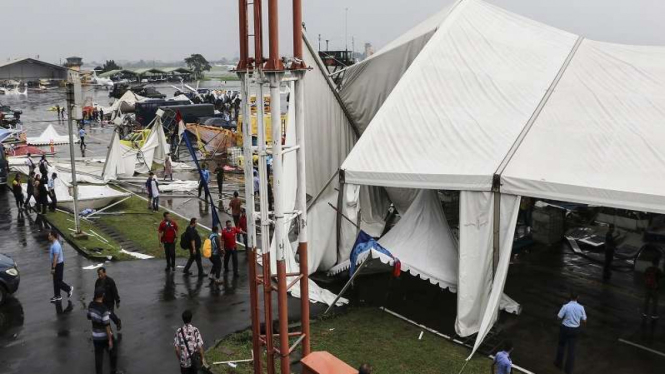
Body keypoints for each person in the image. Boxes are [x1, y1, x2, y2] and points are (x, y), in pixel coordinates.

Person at [87, 287, 122, 374]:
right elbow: (107, 326)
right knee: (113, 352)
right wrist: (110, 339)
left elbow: (88, 316)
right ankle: (113, 371)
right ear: (102, 296)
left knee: (98, 357)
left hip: (95, 336)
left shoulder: (91, 305)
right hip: (104, 337)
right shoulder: (104, 309)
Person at [555, 292, 587, 374]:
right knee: (571, 350)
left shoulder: (565, 306)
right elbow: (584, 320)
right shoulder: (581, 307)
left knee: (561, 345)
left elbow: (559, 317)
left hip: (565, 328)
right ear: (578, 297)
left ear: (570, 296)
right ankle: (568, 369)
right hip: (575, 329)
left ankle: (558, 364)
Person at [48, 230, 73, 302]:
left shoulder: (55, 245)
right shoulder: (54, 243)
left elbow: (56, 257)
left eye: (49, 235)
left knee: (58, 281)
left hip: (58, 265)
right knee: (55, 281)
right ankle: (57, 296)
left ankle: (69, 289)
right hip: (56, 264)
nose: (48, 237)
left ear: (53, 236)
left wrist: (53, 268)